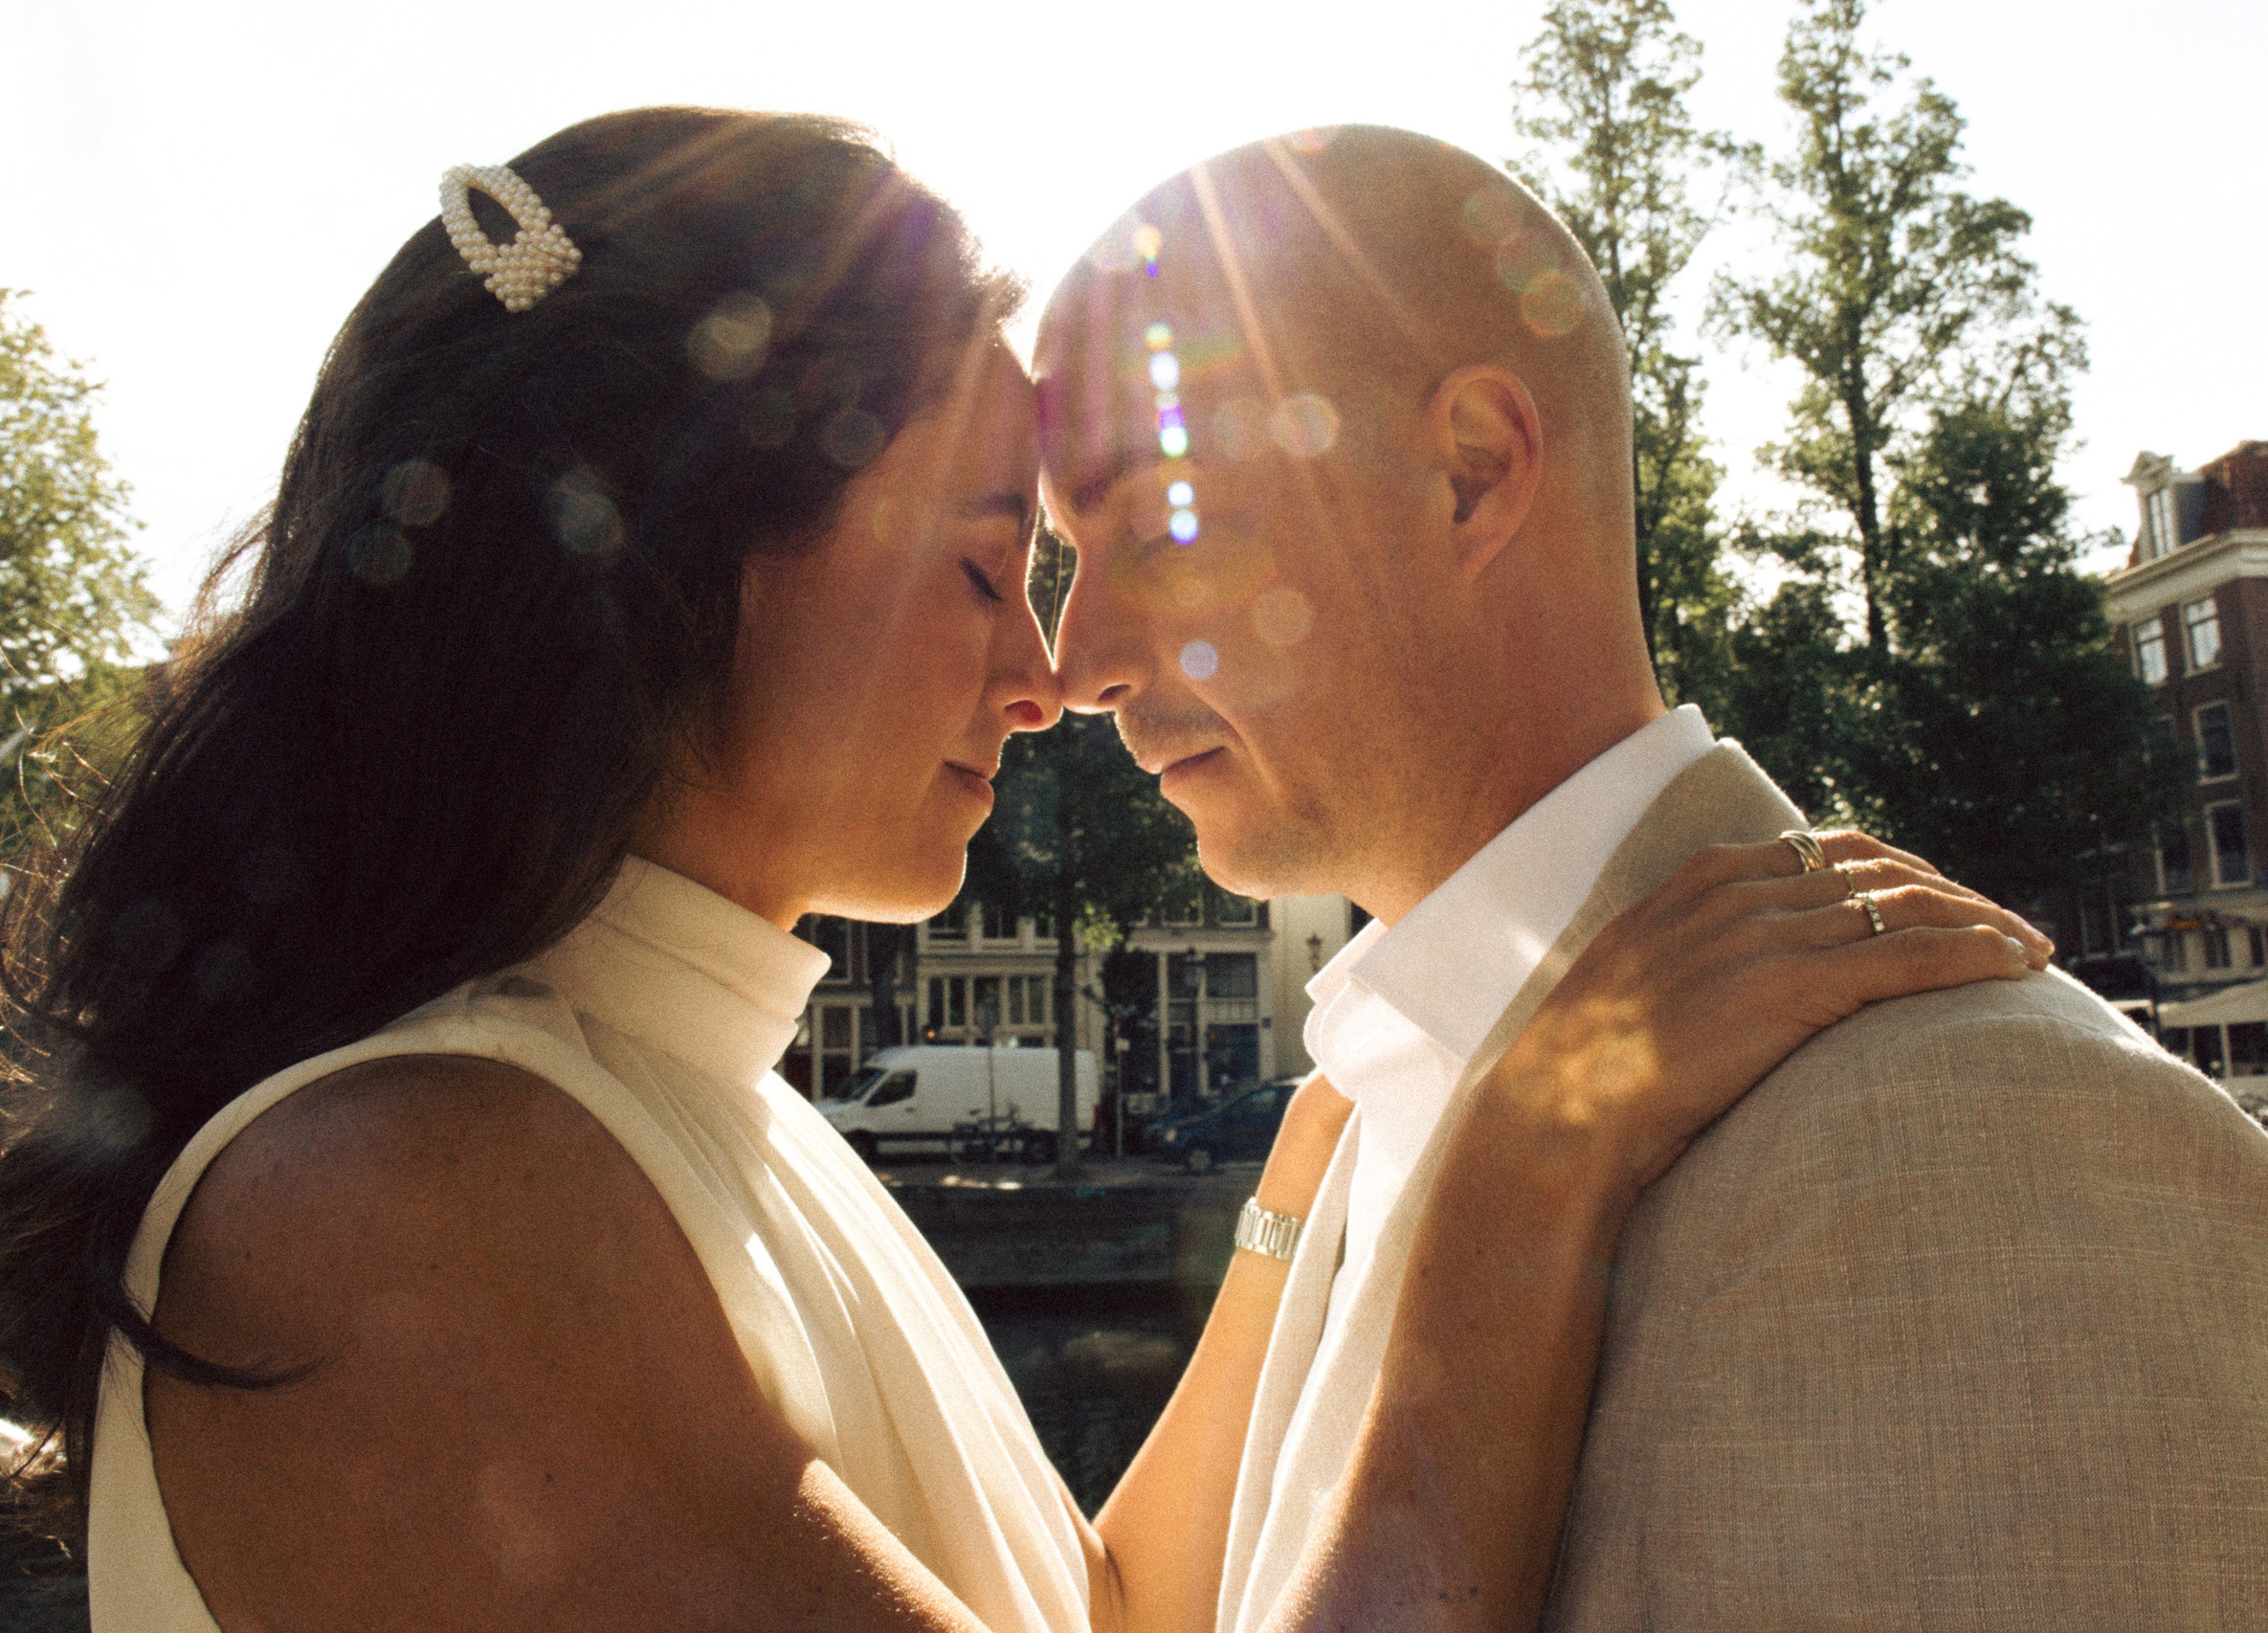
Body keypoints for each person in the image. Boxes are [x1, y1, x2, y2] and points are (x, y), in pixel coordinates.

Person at [0, 109, 2040, 1633]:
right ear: (664, 556)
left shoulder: (681, 1114)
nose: (1052, 669)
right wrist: (1524, 1163)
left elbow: (1088, 1607)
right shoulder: (399, 1197)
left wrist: (1317, 1183)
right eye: (988, 562)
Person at [1035, 125, 2268, 1630]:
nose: (1077, 659)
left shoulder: (1982, 1151)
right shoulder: (1361, 1122)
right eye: (1056, 550)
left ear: (1471, 472)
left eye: (1153, 521)